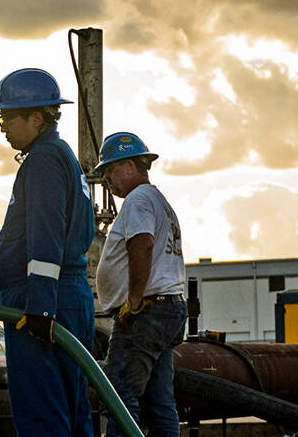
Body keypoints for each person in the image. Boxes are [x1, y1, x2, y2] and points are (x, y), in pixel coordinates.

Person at [0, 68, 95, 436]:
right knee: (70, 408)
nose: (2, 127)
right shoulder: (63, 157)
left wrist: (40, 307)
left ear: (36, 118)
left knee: (42, 417)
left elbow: (45, 236)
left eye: (7, 118)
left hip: (44, 301)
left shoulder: (45, 160)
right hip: (68, 297)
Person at [95, 132, 186, 437]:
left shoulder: (137, 200)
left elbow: (142, 244)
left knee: (119, 395)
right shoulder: (160, 202)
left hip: (145, 313)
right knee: (160, 402)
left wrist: (133, 300)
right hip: (168, 310)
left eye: (110, 170)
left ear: (131, 166)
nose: (107, 178)